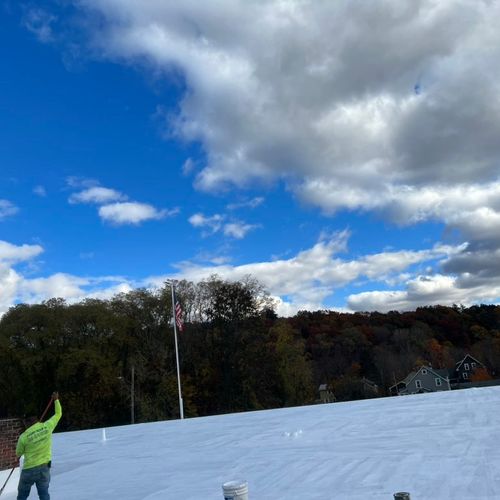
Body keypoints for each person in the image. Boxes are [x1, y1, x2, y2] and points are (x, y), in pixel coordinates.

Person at [15, 392, 62, 500]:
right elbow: (58, 414)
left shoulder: (24, 437)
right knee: (44, 494)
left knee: (22, 495)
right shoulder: (47, 426)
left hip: (29, 470)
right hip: (44, 468)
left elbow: (18, 453)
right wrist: (56, 400)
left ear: (27, 422)